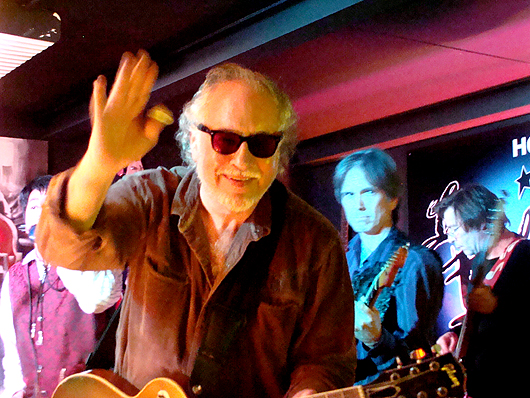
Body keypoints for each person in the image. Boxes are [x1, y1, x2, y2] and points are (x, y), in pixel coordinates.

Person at [35, 50, 355, 398]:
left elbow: (325, 362)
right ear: (192, 139)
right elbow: (67, 247)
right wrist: (99, 163)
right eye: (226, 141)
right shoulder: (152, 198)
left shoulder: (316, 242)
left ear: (279, 152)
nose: (242, 160)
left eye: (262, 144)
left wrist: (311, 391)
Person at [0, 176, 123, 398]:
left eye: (51, 205)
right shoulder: (15, 276)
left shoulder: (91, 264)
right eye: (35, 206)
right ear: (25, 219)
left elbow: (99, 299)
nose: (42, 212)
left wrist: (62, 251)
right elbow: (11, 348)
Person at [333, 148, 443, 385]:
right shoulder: (340, 260)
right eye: (349, 195)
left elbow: (419, 359)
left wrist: (376, 339)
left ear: (393, 198)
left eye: (368, 192)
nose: (358, 205)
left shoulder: (416, 262)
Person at [435, 184, 528, 398]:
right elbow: (482, 325)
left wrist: (498, 307)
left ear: (482, 222)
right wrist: (455, 335)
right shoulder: (479, 264)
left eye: (454, 229)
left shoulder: (524, 256)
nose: (450, 238)